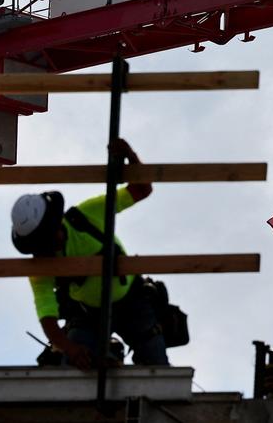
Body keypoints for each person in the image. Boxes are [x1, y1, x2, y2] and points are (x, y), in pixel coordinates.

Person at [10, 139, 168, 369]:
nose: (53, 244)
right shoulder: (41, 264)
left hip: (133, 301)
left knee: (158, 371)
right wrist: (70, 349)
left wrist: (130, 156)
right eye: (44, 244)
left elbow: (142, 189)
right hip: (87, 314)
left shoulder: (85, 216)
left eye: (52, 235)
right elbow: (47, 315)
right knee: (73, 374)